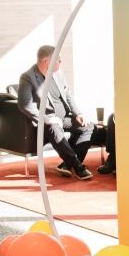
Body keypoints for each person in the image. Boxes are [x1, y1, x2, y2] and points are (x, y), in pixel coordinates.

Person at [17, 45, 95, 180]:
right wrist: (48, 119)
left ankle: (66, 164)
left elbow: (68, 93)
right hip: (47, 122)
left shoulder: (58, 72)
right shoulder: (27, 77)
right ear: (47, 62)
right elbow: (24, 104)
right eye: (58, 59)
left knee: (88, 126)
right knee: (54, 127)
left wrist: (78, 113)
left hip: (64, 118)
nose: (60, 61)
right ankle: (77, 166)